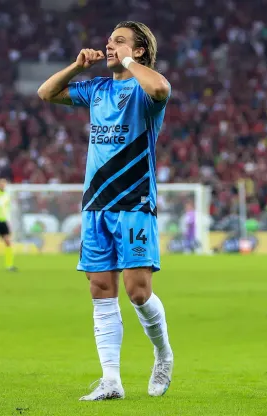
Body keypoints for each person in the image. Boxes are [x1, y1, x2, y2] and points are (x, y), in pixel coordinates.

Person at [37, 21, 173, 401]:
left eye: (120, 41)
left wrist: (128, 62)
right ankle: (111, 380)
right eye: (109, 40)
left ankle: (163, 354)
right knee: (100, 290)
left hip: (134, 203)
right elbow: (46, 93)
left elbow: (161, 87)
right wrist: (78, 66)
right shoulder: (96, 89)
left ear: (140, 50)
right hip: (95, 203)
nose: (109, 46)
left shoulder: (146, 92)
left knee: (138, 293)